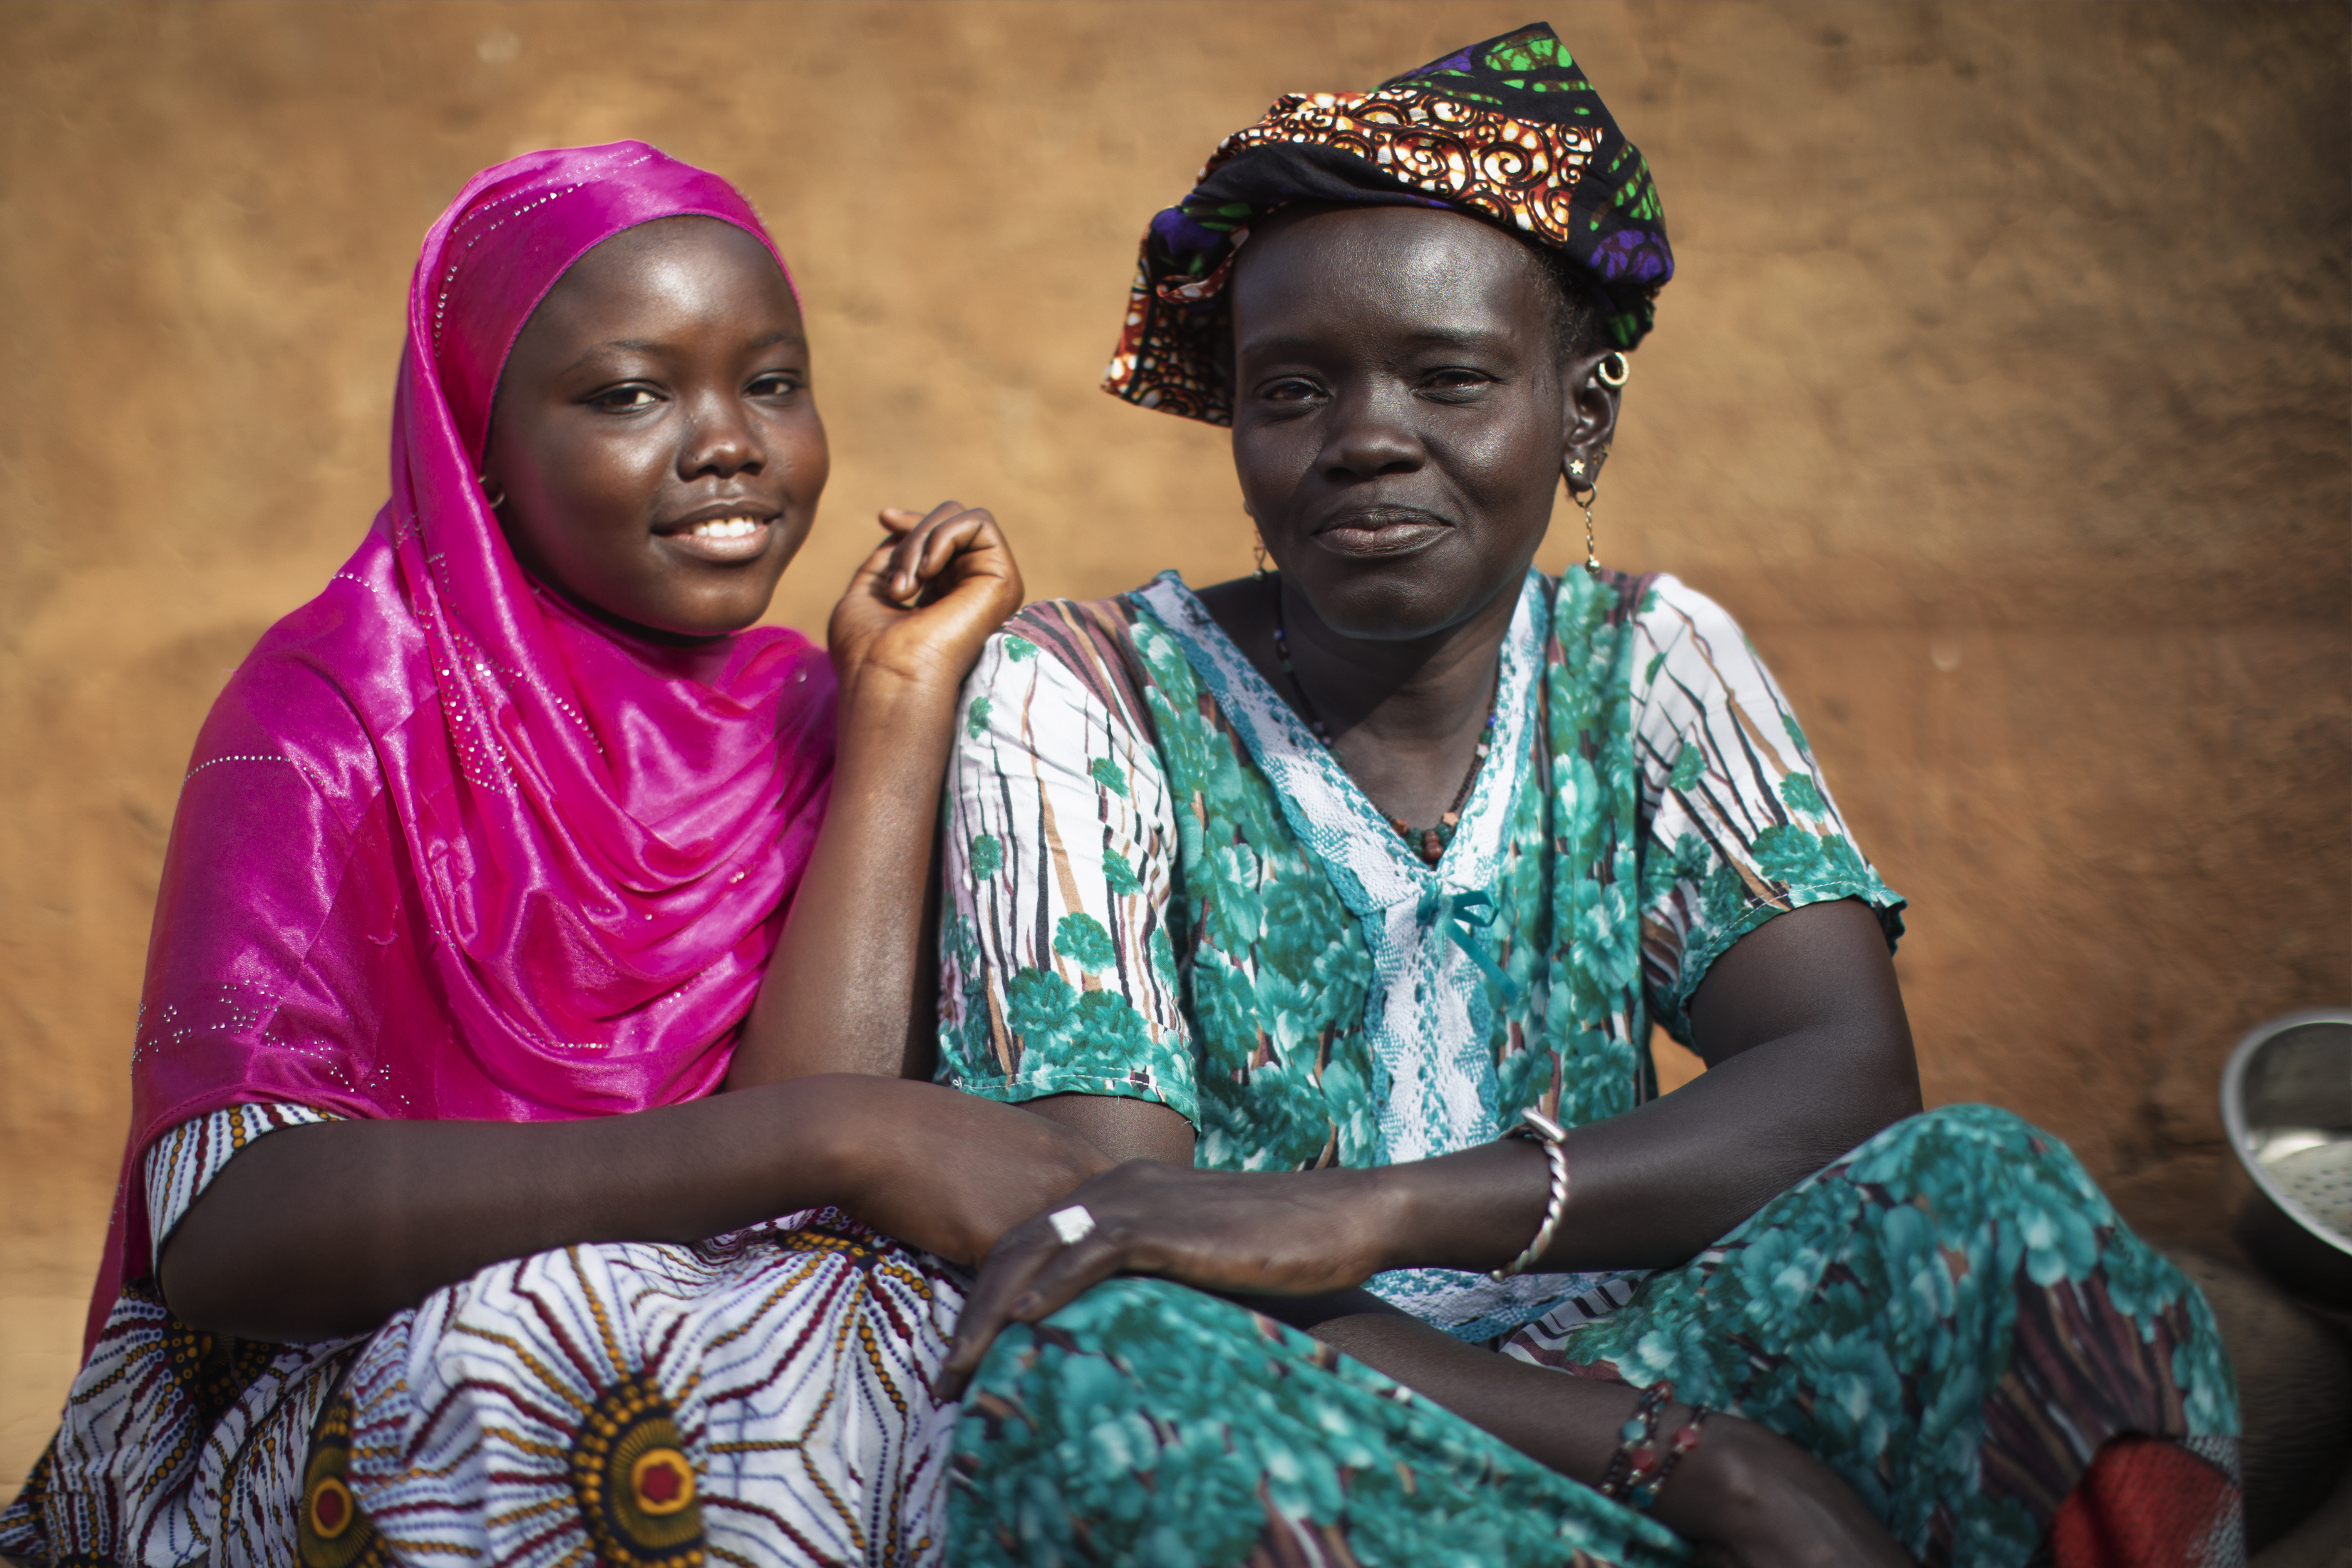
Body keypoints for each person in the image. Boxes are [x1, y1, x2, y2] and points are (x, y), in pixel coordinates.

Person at [931, 25, 2243, 1568]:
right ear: (1236, 427)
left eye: (1449, 377)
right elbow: (1123, 1226)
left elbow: (1840, 1076)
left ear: (1581, 417)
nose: (1366, 436)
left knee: (1988, 1191)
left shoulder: (1651, 665)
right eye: (1293, 389)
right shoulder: (1085, 694)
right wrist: (1689, 1461)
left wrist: (1385, 1209)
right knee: (1092, 1380)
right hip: (1310, 1403)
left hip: (1657, 1348)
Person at [0, 143, 1118, 1568]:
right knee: (533, 1347)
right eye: (629, 393)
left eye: (772, 380)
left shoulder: (809, 705)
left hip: (713, 1350)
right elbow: (233, 1227)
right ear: (483, 451)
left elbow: (785, 1183)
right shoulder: (334, 714)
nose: (729, 440)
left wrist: (896, 708)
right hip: (363, 1381)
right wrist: (836, 1132)